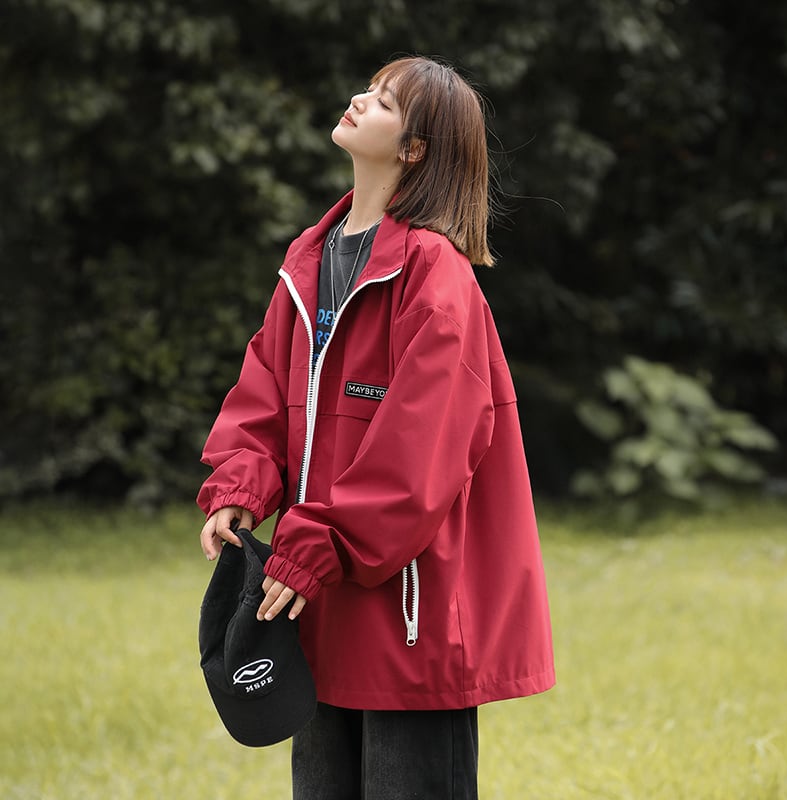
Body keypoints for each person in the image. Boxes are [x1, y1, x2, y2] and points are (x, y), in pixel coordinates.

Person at [198, 55, 554, 799]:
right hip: (312, 604)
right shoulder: (309, 256)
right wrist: (241, 485)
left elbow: (419, 454)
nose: (360, 100)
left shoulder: (436, 274)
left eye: (385, 101)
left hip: (409, 615)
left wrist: (316, 544)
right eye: (370, 90)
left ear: (414, 149)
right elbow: (264, 389)